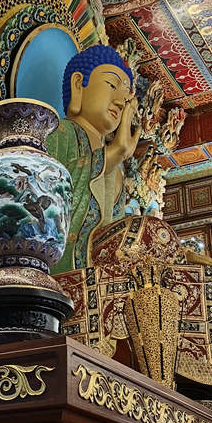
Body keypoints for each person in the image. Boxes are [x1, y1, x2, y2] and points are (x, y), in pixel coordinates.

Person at [46, 45, 139, 272]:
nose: (120, 102)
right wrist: (112, 155)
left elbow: (111, 232)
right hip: (59, 268)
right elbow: (46, 193)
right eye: (111, 85)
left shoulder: (117, 170)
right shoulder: (58, 133)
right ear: (79, 84)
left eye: (125, 98)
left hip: (99, 273)